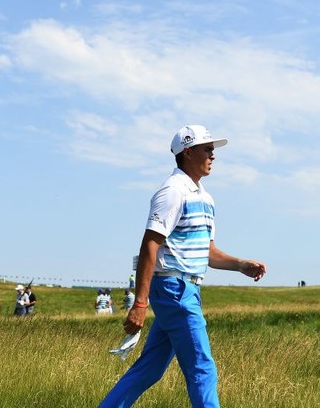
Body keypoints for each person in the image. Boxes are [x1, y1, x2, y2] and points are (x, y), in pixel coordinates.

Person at [100, 125, 267, 408]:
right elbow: (149, 245)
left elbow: (208, 252)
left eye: (213, 149)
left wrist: (240, 265)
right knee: (202, 368)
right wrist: (140, 303)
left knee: (149, 369)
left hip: (186, 290)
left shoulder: (205, 198)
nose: (213, 155)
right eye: (207, 149)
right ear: (188, 153)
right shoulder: (173, 192)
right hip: (174, 289)